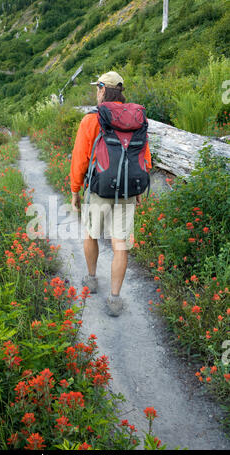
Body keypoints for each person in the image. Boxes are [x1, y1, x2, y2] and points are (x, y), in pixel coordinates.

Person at [70, 71, 152, 317]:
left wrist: (75, 191)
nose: (97, 91)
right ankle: (115, 299)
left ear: (103, 89)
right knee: (120, 245)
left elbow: (79, 160)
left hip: (99, 188)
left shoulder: (91, 120)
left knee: (91, 233)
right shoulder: (136, 118)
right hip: (128, 189)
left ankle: (92, 279)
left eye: (98, 88)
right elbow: (143, 155)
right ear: (121, 91)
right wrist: (138, 189)